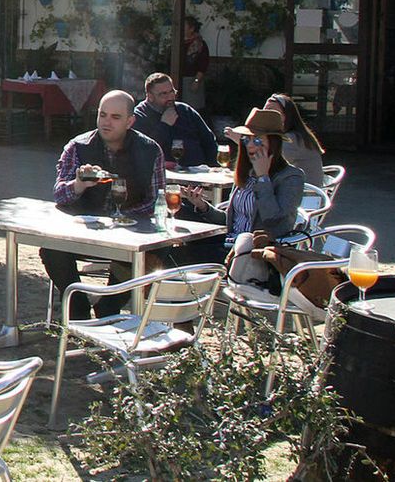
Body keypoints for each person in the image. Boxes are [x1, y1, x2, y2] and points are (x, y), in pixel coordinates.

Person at [41, 90, 162, 320]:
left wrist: (122, 218)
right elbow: (60, 195)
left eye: (115, 117)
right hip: (84, 230)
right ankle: (77, 308)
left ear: (130, 121)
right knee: (51, 248)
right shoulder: (78, 147)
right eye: (102, 115)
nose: (106, 122)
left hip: (129, 232)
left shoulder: (150, 149)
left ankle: (108, 305)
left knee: (152, 252)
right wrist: (78, 184)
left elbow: (155, 200)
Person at [181, 107, 306, 258]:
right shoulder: (246, 173)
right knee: (173, 249)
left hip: (255, 252)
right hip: (229, 243)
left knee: (180, 258)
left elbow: (273, 220)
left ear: (274, 143)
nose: (251, 145)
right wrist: (202, 206)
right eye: (247, 140)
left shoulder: (291, 177)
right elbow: (230, 221)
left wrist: (263, 177)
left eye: (258, 140)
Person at [236, 93, 326, 187]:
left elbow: (266, 160)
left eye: (273, 112)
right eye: (265, 111)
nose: (267, 116)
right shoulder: (299, 134)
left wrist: (241, 139)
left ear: (287, 116)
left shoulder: (293, 138)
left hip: (306, 195)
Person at [132, 72, 217, 168]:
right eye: (164, 94)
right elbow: (144, 151)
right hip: (165, 175)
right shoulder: (139, 116)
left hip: (199, 172)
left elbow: (209, 141)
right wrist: (164, 125)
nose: (170, 97)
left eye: (172, 91)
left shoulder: (184, 110)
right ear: (150, 96)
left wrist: (214, 167)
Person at [181, 16, 210, 112]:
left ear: (191, 28)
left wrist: (197, 81)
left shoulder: (200, 44)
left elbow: (203, 65)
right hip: (178, 78)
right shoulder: (178, 42)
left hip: (192, 79)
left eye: (184, 25)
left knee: (193, 108)